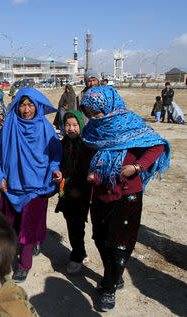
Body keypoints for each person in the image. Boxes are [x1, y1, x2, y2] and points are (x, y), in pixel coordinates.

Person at [80, 86, 170, 312]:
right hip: (100, 193)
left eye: (96, 111)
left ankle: (109, 288)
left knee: (117, 242)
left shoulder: (129, 122)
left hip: (128, 193)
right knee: (100, 238)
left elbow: (157, 145)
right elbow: (85, 154)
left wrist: (137, 167)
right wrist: (91, 174)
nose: (94, 116)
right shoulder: (92, 128)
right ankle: (116, 274)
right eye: (89, 111)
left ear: (107, 105)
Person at [0, 87, 63, 283]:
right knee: (11, 226)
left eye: (30, 105)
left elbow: (55, 155)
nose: (26, 109)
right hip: (12, 185)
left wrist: (55, 170)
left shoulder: (45, 127)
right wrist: (0, 177)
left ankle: (24, 265)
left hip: (37, 186)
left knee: (29, 227)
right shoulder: (9, 126)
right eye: (22, 104)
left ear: (37, 106)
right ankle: (32, 242)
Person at [54, 110, 90, 273]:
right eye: (67, 125)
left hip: (84, 192)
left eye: (75, 125)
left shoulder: (88, 145)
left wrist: (80, 189)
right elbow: (57, 164)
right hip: (66, 191)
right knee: (71, 222)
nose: (71, 128)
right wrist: (57, 175)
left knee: (78, 224)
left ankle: (78, 255)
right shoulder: (62, 144)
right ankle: (79, 253)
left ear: (81, 125)